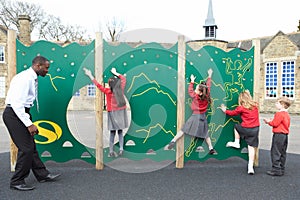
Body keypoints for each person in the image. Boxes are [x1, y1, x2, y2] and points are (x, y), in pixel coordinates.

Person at [2, 56, 61, 191]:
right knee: (26, 149)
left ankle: (42, 174)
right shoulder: (25, 79)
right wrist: (29, 124)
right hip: (14, 114)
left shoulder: (31, 77)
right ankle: (17, 181)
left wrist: (28, 119)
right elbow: (17, 104)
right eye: (46, 68)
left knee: (31, 147)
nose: (47, 71)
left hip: (21, 113)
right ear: (38, 66)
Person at [166, 69, 218, 155]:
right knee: (206, 134)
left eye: (196, 89)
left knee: (183, 130)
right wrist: (210, 76)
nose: (195, 90)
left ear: (200, 93)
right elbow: (208, 86)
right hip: (202, 117)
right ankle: (211, 148)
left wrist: (192, 82)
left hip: (195, 116)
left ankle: (173, 141)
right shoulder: (207, 94)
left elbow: (190, 91)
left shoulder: (196, 96)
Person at [83, 67, 128, 158]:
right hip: (121, 112)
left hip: (112, 113)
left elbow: (98, 85)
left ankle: (111, 151)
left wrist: (90, 75)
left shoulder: (108, 92)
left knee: (112, 133)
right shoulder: (121, 89)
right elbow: (123, 78)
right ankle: (121, 149)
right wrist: (115, 72)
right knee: (120, 132)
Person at [220, 90, 259, 175]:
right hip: (255, 129)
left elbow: (232, 113)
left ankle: (236, 142)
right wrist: (248, 93)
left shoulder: (241, 108)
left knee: (236, 127)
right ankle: (250, 167)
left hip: (246, 128)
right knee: (251, 147)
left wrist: (224, 110)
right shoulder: (255, 106)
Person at [263, 97, 292, 176]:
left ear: (282, 105)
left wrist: (268, 121)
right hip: (285, 135)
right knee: (282, 152)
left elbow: (275, 124)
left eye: (277, 103)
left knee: (275, 152)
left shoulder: (279, 114)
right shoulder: (287, 114)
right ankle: (281, 168)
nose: (276, 104)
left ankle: (276, 169)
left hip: (278, 134)